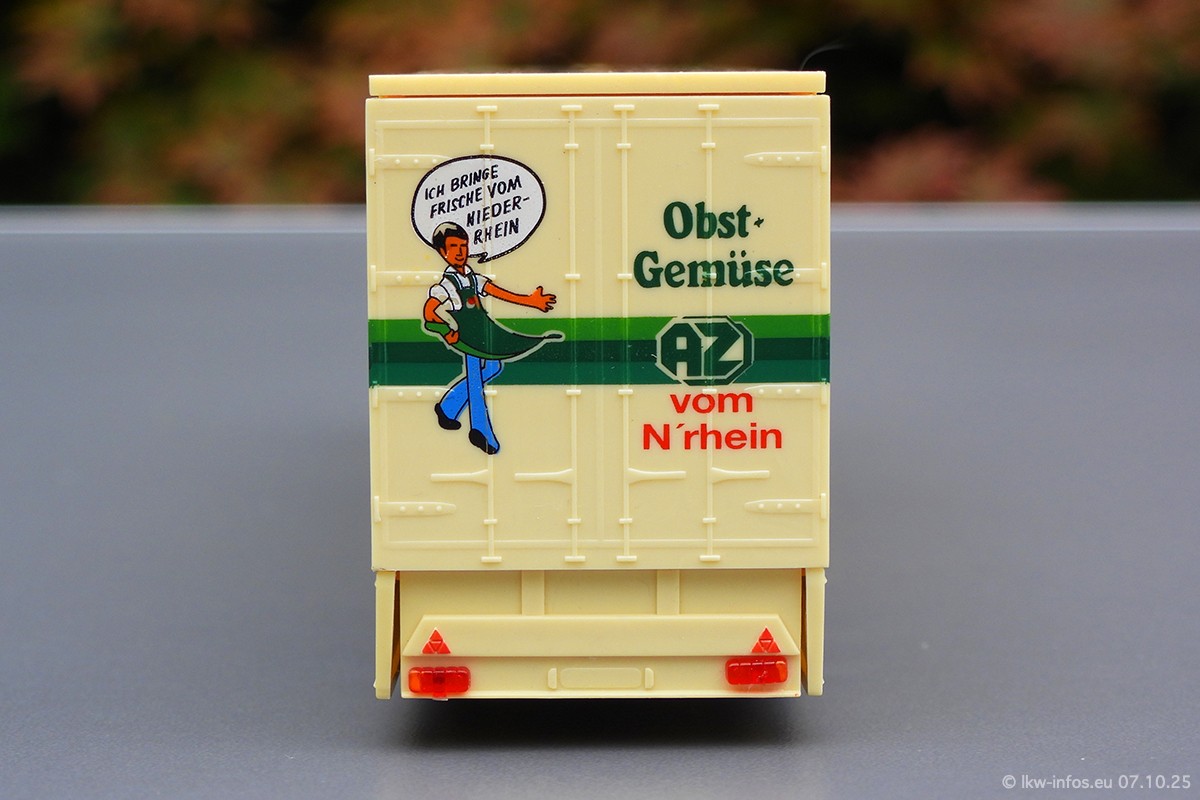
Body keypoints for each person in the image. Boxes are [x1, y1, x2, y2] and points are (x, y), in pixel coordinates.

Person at [423, 222, 556, 454]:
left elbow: (498, 292)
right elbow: (429, 311)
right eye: (453, 247)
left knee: (494, 367)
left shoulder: (473, 278)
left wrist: (530, 301)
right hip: (468, 337)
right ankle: (480, 431)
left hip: (483, 331)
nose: (460, 252)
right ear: (442, 252)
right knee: (475, 378)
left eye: (463, 246)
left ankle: (448, 408)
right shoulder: (447, 285)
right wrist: (446, 332)